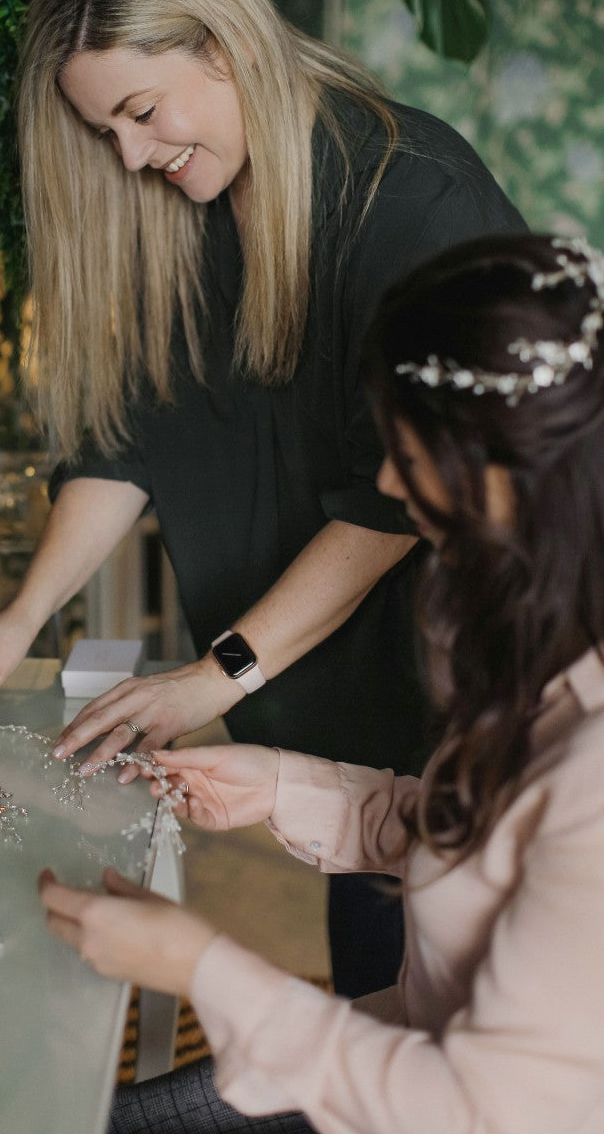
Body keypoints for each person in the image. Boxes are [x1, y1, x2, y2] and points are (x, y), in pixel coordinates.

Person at [0, 0, 525, 996]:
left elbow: (396, 504)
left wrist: (218, 671)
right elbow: (131, 433)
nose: (135, 155)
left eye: (141, 113)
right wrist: (18, 614)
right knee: (373, 986)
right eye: (107, 135)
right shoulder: (187, 207)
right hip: (337, 714)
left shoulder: (409, 195)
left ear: (223, 45)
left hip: (475, 685)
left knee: (460, 1020)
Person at [40, 232, 604, 1134]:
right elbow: (484, 843)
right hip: (393, 1045)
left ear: (501, 475)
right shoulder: (540, 636)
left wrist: (204, 968)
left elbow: (480, 1109)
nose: (385, 481)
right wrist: (283, 783)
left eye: (406, 452)